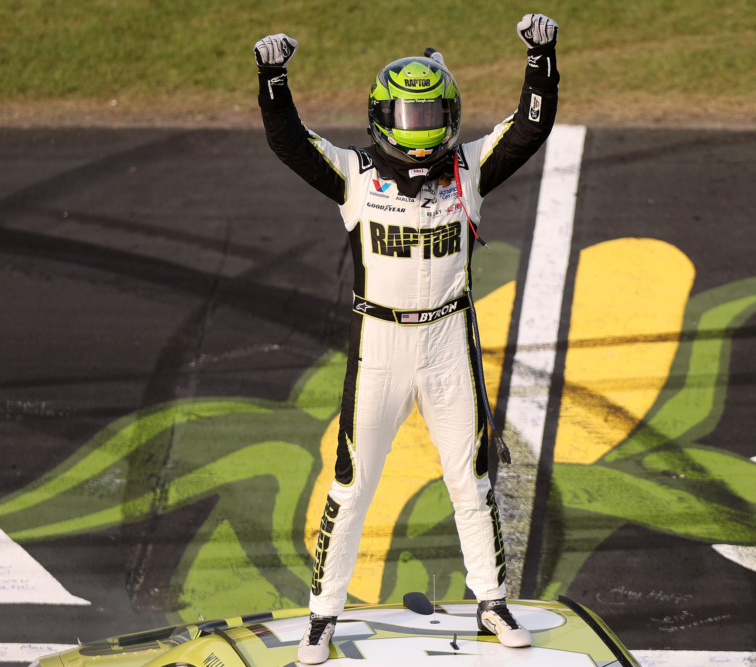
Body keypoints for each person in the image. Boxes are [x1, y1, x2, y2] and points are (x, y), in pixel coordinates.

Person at [254, 14, 559, 664]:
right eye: (408, 115)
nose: (419, 130)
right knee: (352, 485)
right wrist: (273, 79)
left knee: (471, 481)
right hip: (380, 348)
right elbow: (289, 142)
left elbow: (530, 127)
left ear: (450, 115)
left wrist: (541, 59)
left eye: (430, 116)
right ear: (381, 115)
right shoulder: (354, 173)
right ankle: (322, 616)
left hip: (450, 341)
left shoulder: (470, 168)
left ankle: (492, 602)